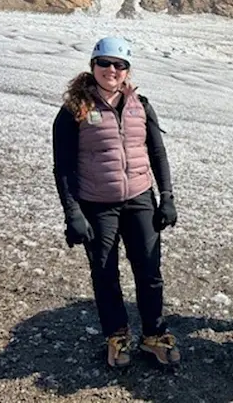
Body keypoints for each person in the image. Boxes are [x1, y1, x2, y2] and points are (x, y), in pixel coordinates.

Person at [51, 37, 180, 368]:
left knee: (149, 271)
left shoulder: (141, 105)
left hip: (140, 199)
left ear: (127, 70)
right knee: (105, 272)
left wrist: (166, 197)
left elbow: (157, 152)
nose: (112, 70)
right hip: (97, 204)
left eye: (119, 65)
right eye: (105, 63)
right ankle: (117, 335)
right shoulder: (74, 110)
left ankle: (153, 334)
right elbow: (63, 167)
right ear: (93, 65)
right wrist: (73, 214)